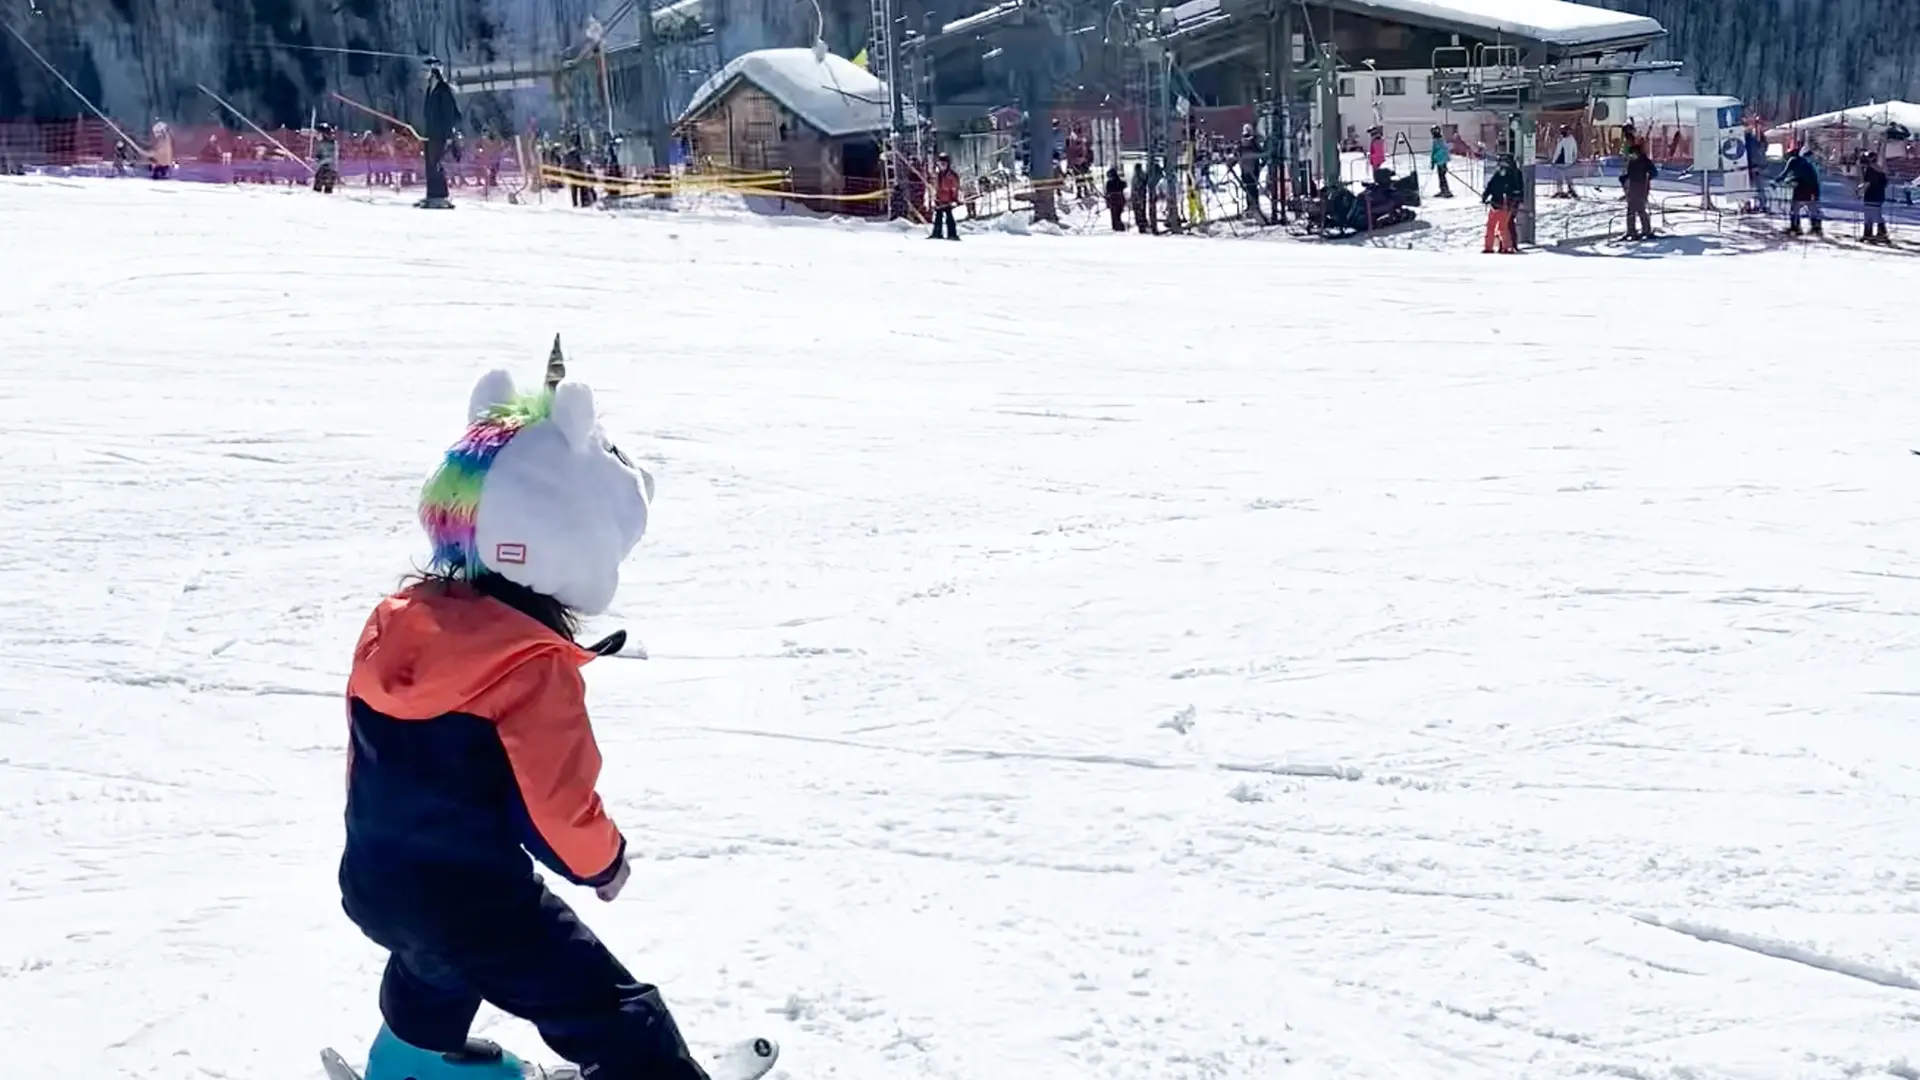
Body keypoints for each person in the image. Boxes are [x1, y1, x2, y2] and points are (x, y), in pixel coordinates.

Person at [339, 347, 721, 1080]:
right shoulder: (528, 666)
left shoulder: (392, 623)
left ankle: (410, 1065)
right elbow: (556, 804)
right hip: (476, 901)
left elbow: (365, 759)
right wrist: (602, 862)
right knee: (616, 1012)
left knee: (432, 964)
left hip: (373, 881)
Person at [420, 57, 460, 208]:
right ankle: (432, 194)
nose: (424, 74)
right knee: (430, 164)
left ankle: (440, 195)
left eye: (426, 71)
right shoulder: (430, 89)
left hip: (440, 134)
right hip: (430, 133)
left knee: (437, 163)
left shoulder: (443, 90)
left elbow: (449, 114)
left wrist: (448, 135)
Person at [1481, 153, 1523, 253]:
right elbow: (1490, 186)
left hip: (1506, 203)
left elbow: (1517, 189)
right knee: (1492, 226)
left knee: (1503, 226)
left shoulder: (1514, 174)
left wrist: (1515, 198)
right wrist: (1485, 195)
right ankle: (1490, 247)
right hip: (1496, 203)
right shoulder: (1499, 174)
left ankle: (1507, 246)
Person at [1778, 145, 1822, 236]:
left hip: (1802, 188)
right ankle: (1816, 227)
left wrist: (1777, 181)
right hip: (1813, 188)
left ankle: (1795, 227)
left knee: (1795, 208)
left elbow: (1786, 174)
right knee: (1812, 208)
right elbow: (1811, 177)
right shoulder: (1810, 163)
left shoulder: (1793, 161)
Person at [1621, 138, 1657, 240]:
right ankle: (1631, 231)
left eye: (1632, 154)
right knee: (1631, 209)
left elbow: (1654, 173)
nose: (1631, 156)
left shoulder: (1644, 161)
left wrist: (1647, 177)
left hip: (1641, 186)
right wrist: (1625, 178)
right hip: (1633, 186)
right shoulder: (1632, 162)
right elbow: (1629, 173)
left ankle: (1646, 230)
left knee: (1640, 208)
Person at [1860, 151, 1890, 244]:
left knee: (1869, 215)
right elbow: (1885, 183)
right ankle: (1880, 233)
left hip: (1871, 195)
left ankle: (1871, 233)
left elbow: (1868, 183)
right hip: (1879, 196)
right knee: (1876, 214)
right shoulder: (1880, 170)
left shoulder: (1870, 170)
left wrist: (1860, 190)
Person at [930, 153, 960, 240]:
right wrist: (936, 198)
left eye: (943, 164)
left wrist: (954, 199)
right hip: (940, 199)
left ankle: (952, 234)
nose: (942, 166)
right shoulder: (939, 175)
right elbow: (937, 187)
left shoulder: (951, 175)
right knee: (938, 216)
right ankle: (937, 233)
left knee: (949, 217)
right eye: (940, 164)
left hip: (948, 199)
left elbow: (955, 188)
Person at [1550, 124, 1579, 199]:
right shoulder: (1561, 139)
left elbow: (1574, 150)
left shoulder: (1571, 139)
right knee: (1559, 177)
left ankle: (1571, 190)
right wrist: (1554, 161)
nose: (1563, 132)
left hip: (1567, 161)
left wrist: (1574, 159)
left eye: (1564, 131)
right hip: (1559, 161)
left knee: (1568, 177)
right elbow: (1557, 151)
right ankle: (1560, 191)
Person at [314, 123, 341, 194]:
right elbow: (319, 155)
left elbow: (333, 158)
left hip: (330, 169)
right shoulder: (320, 143)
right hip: (322, 168)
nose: (317, 135)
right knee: (316, 189)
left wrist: (321, 161)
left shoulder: (333, 143)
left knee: (327, 191)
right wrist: (316, 159)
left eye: (318, 133)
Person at [1429, 126, 1452, 198]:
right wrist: (1433, 162)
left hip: (1441, 162)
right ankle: (1443, 190)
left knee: (1442, 176)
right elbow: (1434, 152)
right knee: (1441, 176)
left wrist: (1435, 159)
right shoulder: (1438, 140)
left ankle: (1446, 191)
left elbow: (1440, 151)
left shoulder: (1439, 141)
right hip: (1440, 162)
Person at [1104, 164, 1127, 232]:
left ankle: (1117, 226)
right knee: (1116, 214)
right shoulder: (1120, 182)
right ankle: (1117, 225)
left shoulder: (1110, 183)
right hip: (1117, 200)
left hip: (1115, 201)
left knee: (1115, 214)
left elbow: (1108, 192)